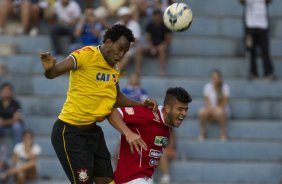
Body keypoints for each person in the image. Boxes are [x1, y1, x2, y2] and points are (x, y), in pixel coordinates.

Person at [39, 24, 157, 184]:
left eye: (125, 51)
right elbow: (53, 72)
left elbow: (116, 98)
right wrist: (49, 69)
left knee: (107, 180)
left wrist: (140, 105)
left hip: (92, 132)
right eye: (119, 48)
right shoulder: (86, 55)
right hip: (69, 133)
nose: (121, 54)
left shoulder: (113, 67)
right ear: (108, 42)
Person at [108, 87, 192, 184]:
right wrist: (128, 133)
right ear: (168, 108)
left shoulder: (167, 125)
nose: (184, 113)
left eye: (186, 110)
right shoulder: (149, 114)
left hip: (144, 179)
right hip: (130, 179)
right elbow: (113, 113)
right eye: (180, 109)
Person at [239, 0, 274, 80]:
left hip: (263, 25)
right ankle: (253, 72)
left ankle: (268, 72)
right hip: (250, 26)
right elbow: (241, 2)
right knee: (251, 50)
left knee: (265, 50)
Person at [135, 8, 172, 76]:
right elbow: (148, 39)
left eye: (158, 16)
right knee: (139, 50)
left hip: (161, 47)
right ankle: (138, 70)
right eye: (155, 16)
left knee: (162, 48)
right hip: (151, 46)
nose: (157, 17)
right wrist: (151, 47)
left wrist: (158, 47)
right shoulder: (149, 25)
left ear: (161, 16)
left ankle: (162, 70)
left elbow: (168, 40)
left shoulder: (166, 26)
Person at [198, 69, 231, 141]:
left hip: (221, 111)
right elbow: (206, 100)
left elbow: (225, 101)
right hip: (211, 110)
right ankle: (203, 132)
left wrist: (216, 109)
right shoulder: (207, 87)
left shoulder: (225, 87)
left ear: (220, 78)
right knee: (201, 112)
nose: (215, 80)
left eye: (217, 78)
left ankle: (223, 132)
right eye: (213, 78)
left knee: (219, 111)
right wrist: (210, 108)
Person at [116, 6, 142, 74]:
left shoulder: (134, 24)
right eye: (123, 16)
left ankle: (117, 72)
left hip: (132, 47)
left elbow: (135, 40)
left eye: (126, 16)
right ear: (121, 16)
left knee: (127, 55)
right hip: (120, 47)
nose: (125, 17)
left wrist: (125, 48)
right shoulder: (117, 24)